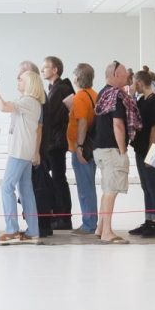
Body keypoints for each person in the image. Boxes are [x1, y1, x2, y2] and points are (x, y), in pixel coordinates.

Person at [93, 62, 141, 244]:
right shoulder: (116, 95)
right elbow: (118, 124)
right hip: (112, 149)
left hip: (100, 149)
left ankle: (100, 228)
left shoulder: (103, 93)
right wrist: (122, 150)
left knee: (107, 189)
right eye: (124, 73)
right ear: (115, 75)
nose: (127, 76)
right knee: (111, 191)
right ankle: (107, 232)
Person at [0, 65, 44, 244]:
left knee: (6, 187)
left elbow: (3, 107)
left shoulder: (28, 101)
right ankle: (33, 231)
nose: (18, 80)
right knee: (25, 190)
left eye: (21, 79)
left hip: (19, 151)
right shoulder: (31, 102)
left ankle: (12, 230)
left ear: (29, 83)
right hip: (25, 151)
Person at [35, 68, 74, 236]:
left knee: (58, 179)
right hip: (54, 141)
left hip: (56, 142)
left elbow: (54, 117)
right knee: (56, 178)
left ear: (55, 69)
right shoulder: (56, 89)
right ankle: (58, 215)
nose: (42, 70)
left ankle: (62, 217)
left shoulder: (61, 89)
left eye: (45, 67)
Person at [131, 70, 155, 238]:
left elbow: (154, 127)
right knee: (145, 186)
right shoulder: (141, 99)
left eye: (134, 82)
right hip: (140, 148)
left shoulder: (154, 101)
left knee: (152, 185)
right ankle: (148, 220)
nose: (133, 85)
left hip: (150, 149)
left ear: (139, 82)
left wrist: (150, 152)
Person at [68, 62, 100, 235]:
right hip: (92, 146)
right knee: (88, 184)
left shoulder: (80, 96)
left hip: (82, 147)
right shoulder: (94, 94)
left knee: (85, 187)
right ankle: (90, 221)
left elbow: (82, 122)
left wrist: (79, 146)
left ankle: (89, 224)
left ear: (78, 78)